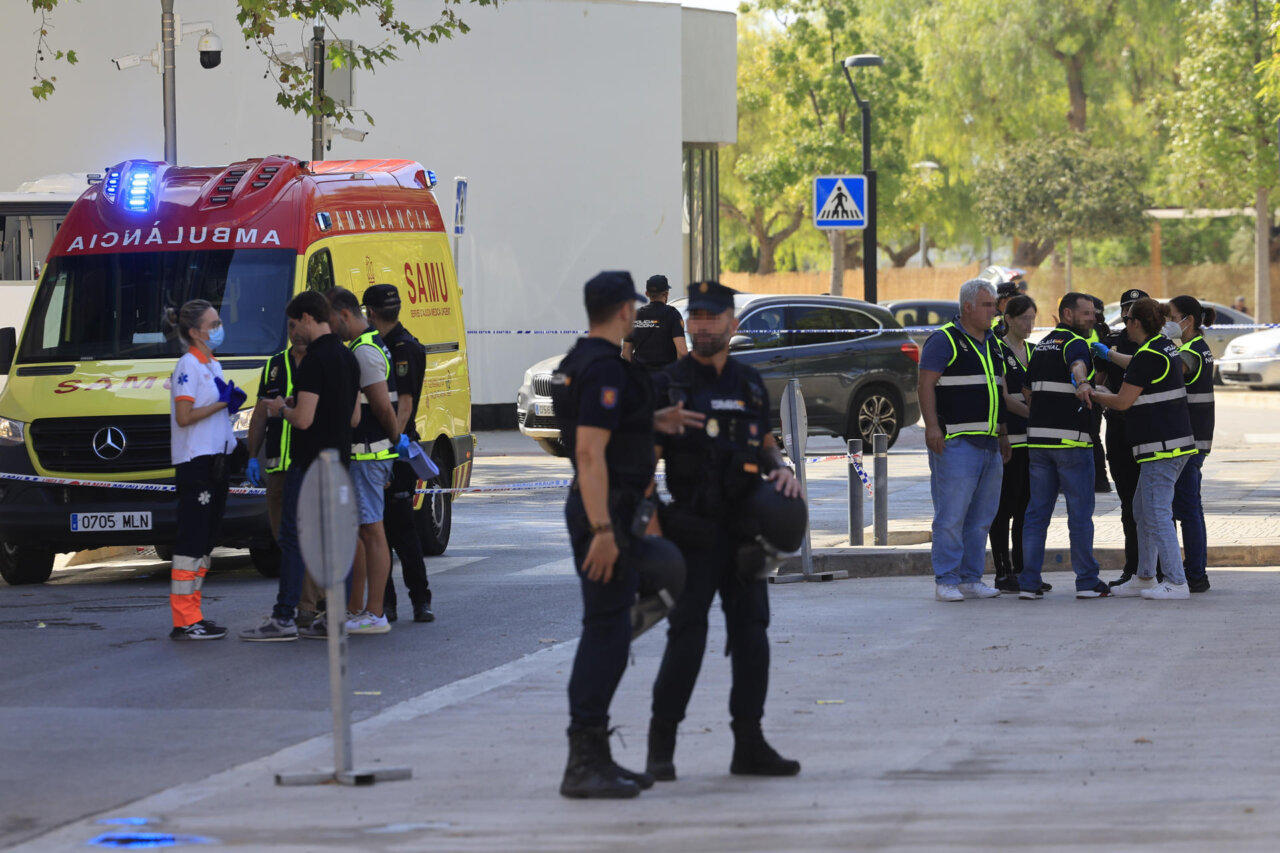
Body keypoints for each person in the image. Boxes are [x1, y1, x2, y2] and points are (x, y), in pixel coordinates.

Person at [647, 280, 804, 781]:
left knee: (752, 635)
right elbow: (643, 464)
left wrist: (781, 470)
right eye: (695, 317)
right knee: (687, 638)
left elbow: (765, 443)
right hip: (691, 531)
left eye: (712, 317)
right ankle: (660, 746)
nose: (701, 325)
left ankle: (749, 745)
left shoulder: (749, 383)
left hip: (745, 532)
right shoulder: (670, 383)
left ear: (731, 325)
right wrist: (651, 526)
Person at [550, 271, 694, 799]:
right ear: (623, 311)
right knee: (605, 633)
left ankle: (596, 754)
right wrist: (603, 530)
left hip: (611, 509)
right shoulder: (603, 368)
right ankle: (583, 761)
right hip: (604, 513)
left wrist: (655, 421)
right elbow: (589, 454)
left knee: (610, 630)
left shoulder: (585, 360)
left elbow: (611, 435)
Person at [240, 292, 360, 641]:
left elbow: (303, 420)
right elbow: (353, 417)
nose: (292, 333)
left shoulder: (313, 361)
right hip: (339, 464)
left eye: (294, 325)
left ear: (308, 318)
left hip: (308, 466)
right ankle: (336, 617)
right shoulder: (348, 358)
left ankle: (284, 617)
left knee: (292, 539)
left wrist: (281, 409)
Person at [1091, 297, 1197, 600]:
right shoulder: (1162, 346)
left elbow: (1123, 401)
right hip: (1172, 445)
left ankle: (1176, 582)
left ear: (1135, 323)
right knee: (1143, 510)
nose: (1125, 327)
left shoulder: (1149, 354)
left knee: (1157, 513)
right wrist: (1111, 355)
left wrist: (1094, 392)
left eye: (1127, 321)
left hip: (1161, 448)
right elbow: (1137, 366)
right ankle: (1145, 576)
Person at [917, 278, 1009, 602]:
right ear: (968, 307)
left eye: (994, 305)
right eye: (987, 305)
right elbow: (925, 384)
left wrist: (1003, 435)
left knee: (981, 519)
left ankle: (971, 579)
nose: (994, 312)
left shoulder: (993, 343)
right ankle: (946, 580)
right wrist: (931, 426)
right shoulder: (944, 340)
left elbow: (997, 390)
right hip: (956, 444)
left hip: (989, 445)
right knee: (951, 517)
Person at [327, 286, 410, 636]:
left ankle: (375, 613)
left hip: (368, 454)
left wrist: (395, 438)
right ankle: (360, 608)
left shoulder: (364, 350)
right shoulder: (367, 346)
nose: (329, 328)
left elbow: (381, 405)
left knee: (373, 531)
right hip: (368, 454)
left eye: (330, 320)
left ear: (345, 314)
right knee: (365, 531)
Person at [1017, 292, 1111, 600]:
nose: (1093, 318)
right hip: (1071, 443)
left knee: (1036, 515)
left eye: (1093, 313)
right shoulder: (1075, 342)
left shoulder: (1042, 345)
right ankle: (1087, 581)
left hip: (1038, 443)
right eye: (1086, 313)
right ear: (1068, 314)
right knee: (1079, 515)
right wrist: (1082, 383)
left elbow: (1027, 391)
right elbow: (1077, 365)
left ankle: (1029, 582)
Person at [166, 300, 243, 640]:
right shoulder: (189, 365)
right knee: (192, 539)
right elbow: (184, 417)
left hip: (215, 460)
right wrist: (221, 403)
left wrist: (227, 408)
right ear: (195, 332)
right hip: (195, 461)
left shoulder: (212, 364)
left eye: (218, 323)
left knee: (206, 541)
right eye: (213, 325)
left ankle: (193, 613)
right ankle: (184, 619)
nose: (219, 329)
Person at [364, 284, 436, 623]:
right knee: (380, 530)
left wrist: (393, 446)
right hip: (382, 448)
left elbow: (404, 406)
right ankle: (387, 602)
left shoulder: (402, 347)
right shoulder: (380, 345)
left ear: (370, 312)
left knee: (402, 530)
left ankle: (419, 600)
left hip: (396, 448)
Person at [244, 328, 318, 623]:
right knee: (284, 539)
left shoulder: (321, 361)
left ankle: (307, 605)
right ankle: (307, 601)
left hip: (310, 468)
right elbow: (260, 415)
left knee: (307, 539)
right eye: (291, 328)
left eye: (302, 327)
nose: (297, 334)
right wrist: (252, 456)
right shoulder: (274, 365)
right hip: (278, 471)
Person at [1092, 288, 1154, 587]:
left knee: (1156, 504)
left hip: (1150, 428)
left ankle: (1161, 568)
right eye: (1128, 309)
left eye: (1138, 308)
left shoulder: (1157, 344)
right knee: (1129, 503)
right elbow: (1099, 380)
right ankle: (1133, 569)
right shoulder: (1111, 340)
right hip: (1118, 427)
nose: (1132, 314)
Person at [989, 295, 1036, 594]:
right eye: (1023, 319)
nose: (1029, 324)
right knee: (1004, 507)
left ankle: (1023, 570)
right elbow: (1004, 397)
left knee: (1026, 509)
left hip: (1033, 442)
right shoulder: (998, 349)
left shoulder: (1033, 351)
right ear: (1008, 319)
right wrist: (1036, 415)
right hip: (1011, 440)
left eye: (1033, 318)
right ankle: (1002, 571)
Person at [1169, 295, 1215, 592]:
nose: (1167, 323)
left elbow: (1167, 371)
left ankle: (1195, 574)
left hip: (1189, 441)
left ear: (1188, 320)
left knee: (1187, 510)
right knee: (1190, 508)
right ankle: (1194, 571)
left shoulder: (1192, 352)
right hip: (1195, 438)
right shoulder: (1197, 347)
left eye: (1171, 317)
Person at [622, 274, 688, 372]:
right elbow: (682, 352)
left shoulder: (634, 316)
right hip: (665, 376)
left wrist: (636, 372)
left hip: (642, 376)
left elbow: (625, 352)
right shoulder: (672, 314)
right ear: (666, 294)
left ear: (647, 294)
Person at [1087, 296, 1111, 493]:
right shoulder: (1102, 330)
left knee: (1091, 437)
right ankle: (1100, 480)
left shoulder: (1092, 332)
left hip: (1089, 389)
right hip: (1094, 389)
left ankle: (1099, 480)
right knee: (1094, 437)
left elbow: (1098, 367)